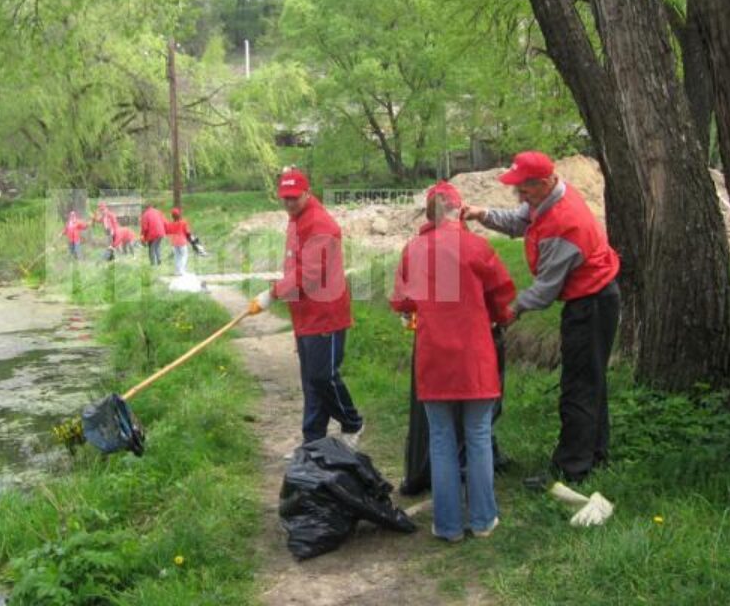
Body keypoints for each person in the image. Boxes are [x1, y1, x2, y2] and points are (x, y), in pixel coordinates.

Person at [461, 151, 620, 484]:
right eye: (517, 188)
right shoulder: (545, 199)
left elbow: (546, 288)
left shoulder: (565, 223)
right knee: (591, 381)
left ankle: (571, 468)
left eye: (525, 188)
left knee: (578, 386)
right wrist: (482, 214)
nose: (520, 195)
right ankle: (596, 454)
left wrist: (511, 311)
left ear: (546, 181)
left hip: (591, 304)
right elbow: (520, 220)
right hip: (590, 297)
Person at [390, 181, 515, 542]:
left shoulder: (414, 249)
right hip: (474, 357)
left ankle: (446, 526)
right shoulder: (477, 246)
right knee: (477, 435)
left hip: (434, 358)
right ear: (459, 212)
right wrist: (497, 315)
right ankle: (483, 520)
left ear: (430, 213)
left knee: (441, 439)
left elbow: (401, 301)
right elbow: (502, 297)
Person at [248, 168, 364, 450]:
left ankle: (352, 422)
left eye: (294, 198)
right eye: (284, 198)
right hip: (304, 315)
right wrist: (281, 286)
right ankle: (313, 443)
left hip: (326, 315)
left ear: (307, 193)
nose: (288, 203)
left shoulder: (321, 225)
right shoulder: (295, 219)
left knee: (323, 377)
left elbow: (310, 274)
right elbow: (296, 267)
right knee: (311, 382)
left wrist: (273, 294)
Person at [165, 207, 192, 276]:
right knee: (184, 255)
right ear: (179, 215)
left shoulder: (170, 224)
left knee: (177, 256)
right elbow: (187, 232)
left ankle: (177, 271)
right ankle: (182, 270)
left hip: (174, 241)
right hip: (182, 241)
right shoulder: (183, 222)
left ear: (172, 216)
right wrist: (190, 239)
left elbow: (167, 232)